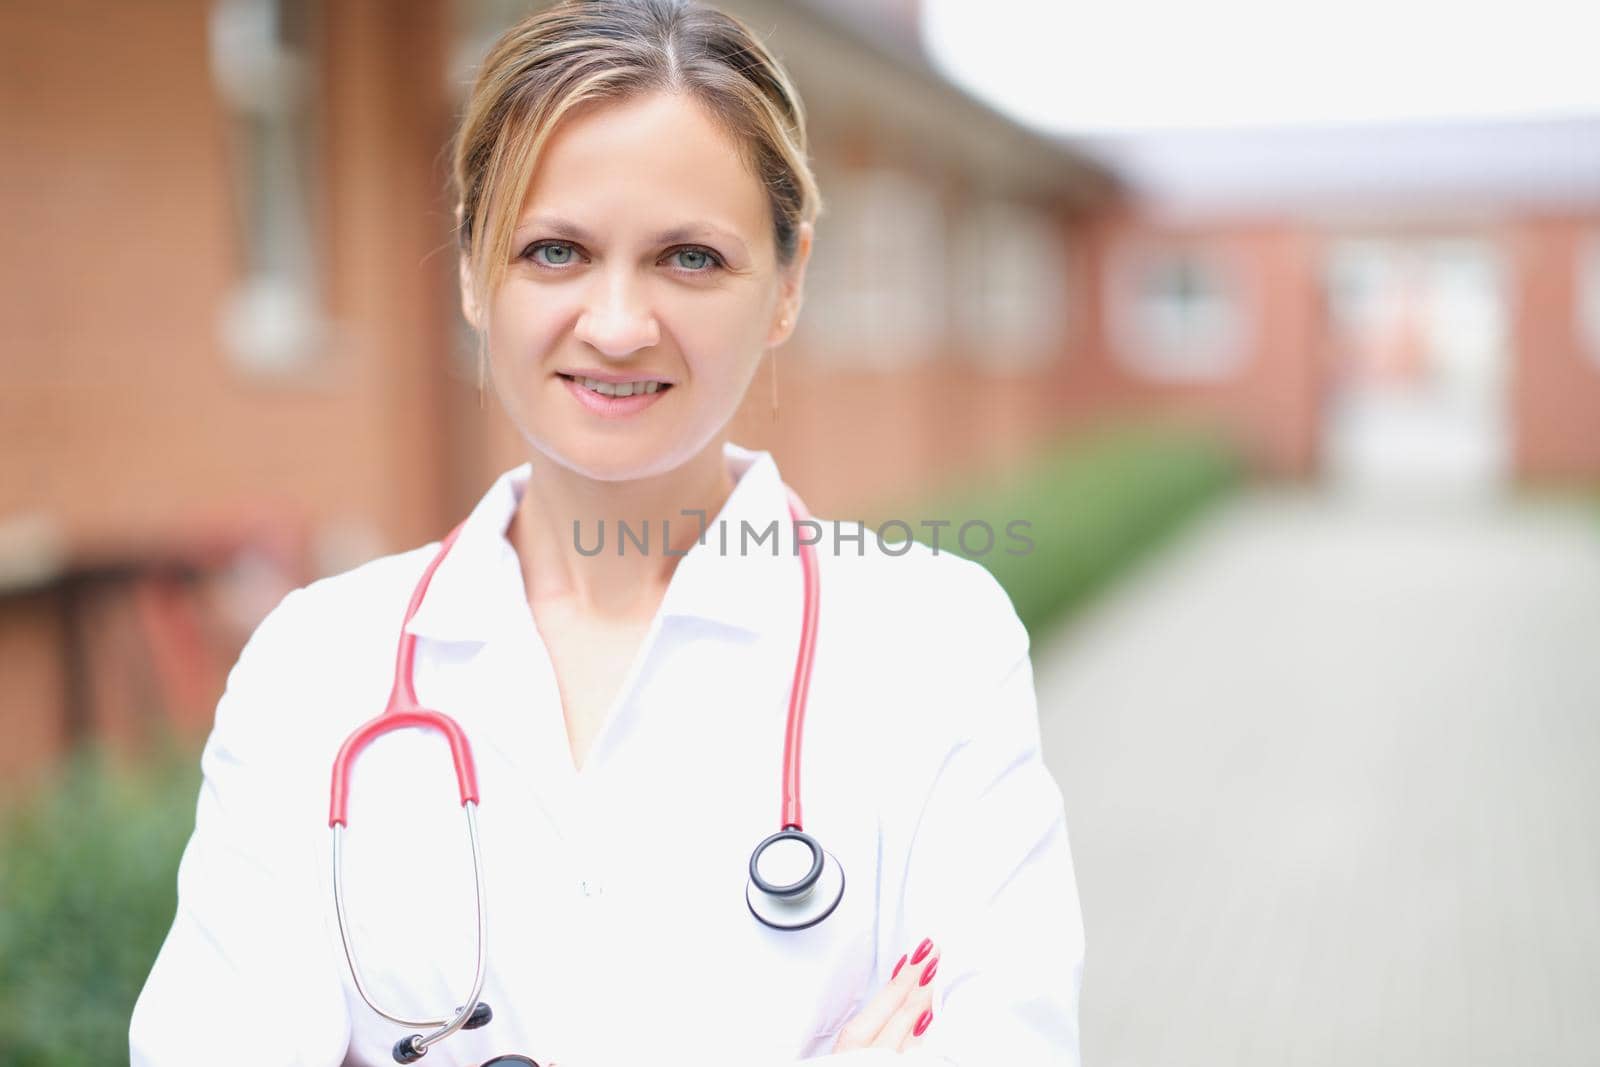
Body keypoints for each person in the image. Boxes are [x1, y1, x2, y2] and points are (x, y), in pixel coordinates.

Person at [128, 1, 1084, 1064]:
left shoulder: (933, 644)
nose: (620, 324)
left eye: (688, 258)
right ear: (469, 270)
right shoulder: (315, 666)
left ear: (789, 282)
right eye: (555, 250)